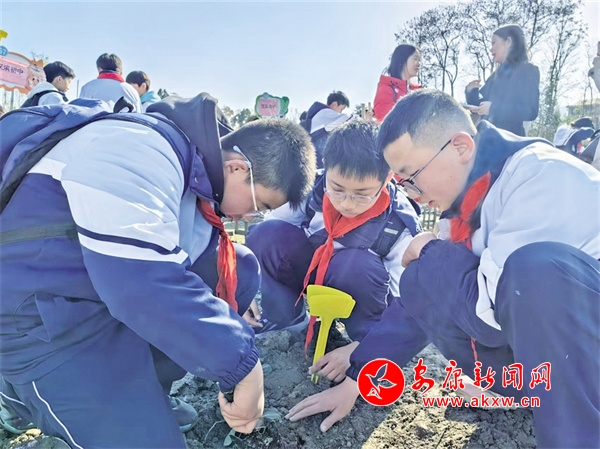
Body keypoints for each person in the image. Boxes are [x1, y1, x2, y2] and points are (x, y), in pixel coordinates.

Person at [287, 89, 599, 449]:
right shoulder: (463, 210)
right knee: (422, 276)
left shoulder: (540, 177)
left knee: (532, 272)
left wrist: (432, 251)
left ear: (460, 147)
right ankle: (523, 391)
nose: (412, 194)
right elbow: (416, 306)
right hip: (564, 354)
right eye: (401, 183)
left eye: (411, 176)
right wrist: (358, 377)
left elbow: (490, 315)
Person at [0, 93, 316, 448]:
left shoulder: (194, 171)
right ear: (237, 168)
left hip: (93, 299)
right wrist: (243, 363)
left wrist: (227, 333)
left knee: (238, 267)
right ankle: (17, 394)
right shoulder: (141, 149)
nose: (250, 217)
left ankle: (145, 393)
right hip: (40, 321)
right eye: (260, 205)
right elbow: (139, 284)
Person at [246, 119, 421, 380]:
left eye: (362, 194)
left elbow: (405, 300)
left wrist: (363, 349)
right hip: (313, 274)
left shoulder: (398, 223)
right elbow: (271, 233)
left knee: (356, 264)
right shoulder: (312, 189)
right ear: (326, 167)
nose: (347, 204)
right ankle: (289, 323)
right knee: (265, 235)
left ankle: (362, 340)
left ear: (387, 178)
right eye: (337, 189)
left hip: (360, 287)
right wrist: (244, 285)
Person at [465, 24, 539, 137]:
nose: (491, 49)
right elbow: (481, 106)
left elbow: (531, 111)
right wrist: (471, 92)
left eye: (494, 43)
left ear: (508, 42)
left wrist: (493, 108)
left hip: (510, 141)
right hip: (485, 138)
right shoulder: (495, 76)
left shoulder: (529, 71)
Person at [300, 91, 352, 169]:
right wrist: (365, 119)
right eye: (341, 109)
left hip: (313, 160)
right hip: (319, 160)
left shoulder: (318, 115)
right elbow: (347, 119)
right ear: (334, 104)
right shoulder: (325, 113)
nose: (341, 112)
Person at [373, 44, 421, 122]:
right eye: (415, 59)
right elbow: (388, 122)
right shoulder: (385, 89)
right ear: (403, 60)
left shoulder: (418, 92)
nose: (419, 63)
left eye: (419, 60)